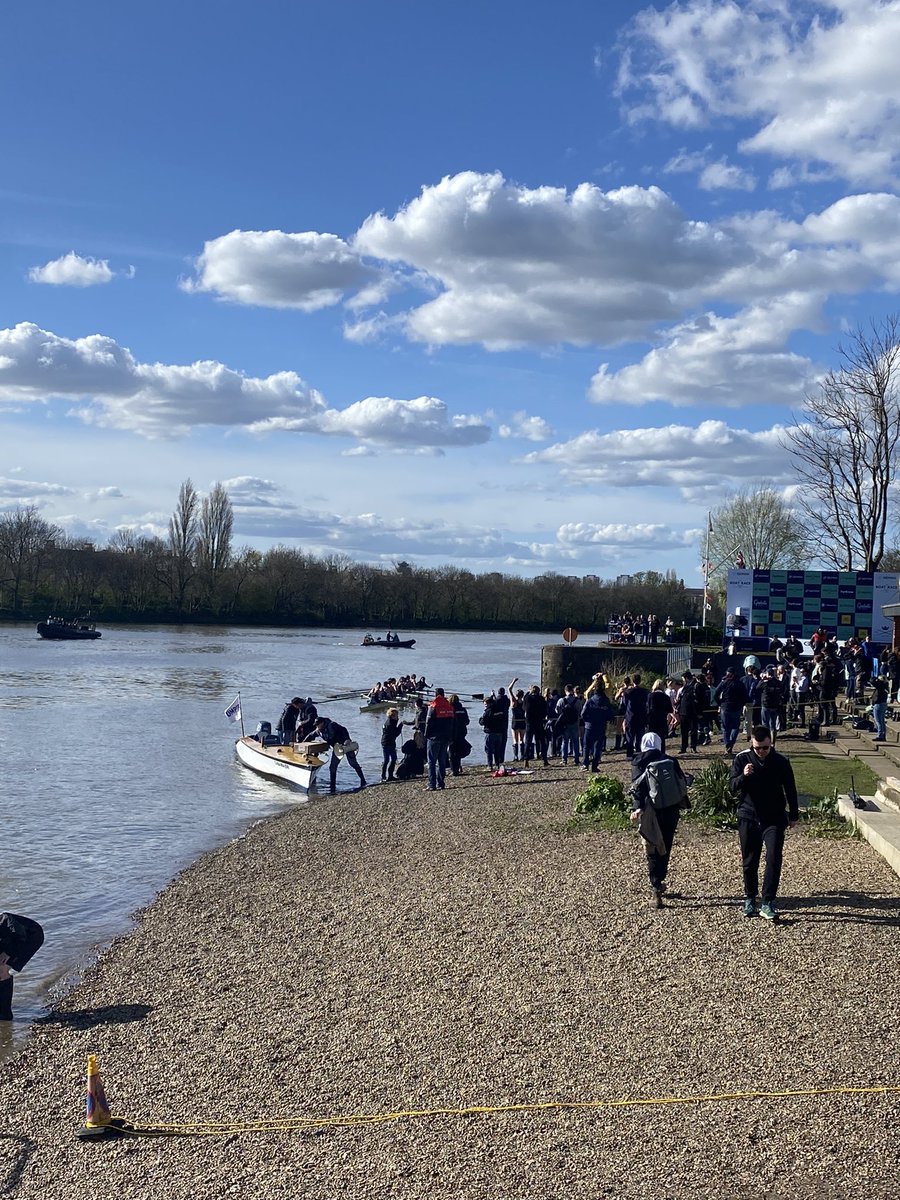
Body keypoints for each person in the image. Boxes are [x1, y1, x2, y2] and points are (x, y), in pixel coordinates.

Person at [729, 726, 799, 920]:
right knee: (750, 860)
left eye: (765, 748)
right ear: (751, 744)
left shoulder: (781, 762)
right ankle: (750, 898)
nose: (761, 752)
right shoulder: (742, 759)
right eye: (757, 748)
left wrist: (793, 814)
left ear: (771, 744)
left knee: (774, 857)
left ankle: (768, 901)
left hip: (774, 817)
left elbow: (790, 788)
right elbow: (732, 786)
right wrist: (743, 776)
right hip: (748, 815)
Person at [629, 733, 691, 909]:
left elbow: (637, 787)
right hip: (671, 809)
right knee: (666, 844)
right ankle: (660, 879)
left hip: (650, 810)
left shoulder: (638, 761)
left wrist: (637, 808)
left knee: (652, 844)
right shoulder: (670, 760)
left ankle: (656, 886)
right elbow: (681, 781)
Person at [0, 912, 44, 1021]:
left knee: (1, 970)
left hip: (31, 937)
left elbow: (20, 935)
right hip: (11, 941)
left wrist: (8, 952)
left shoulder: (6, 920)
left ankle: (5, 1014)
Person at [310, 716, 366, 793]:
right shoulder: (318, 731)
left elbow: (344, 729)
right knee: (332, 767)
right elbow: (310, 736)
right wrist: (300, 744)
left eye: (318, 724)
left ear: (322, 723)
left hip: (347, 746)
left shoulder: (332, 725)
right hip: (337, 749)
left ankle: (363, 781)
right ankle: (332, 786)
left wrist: (347, 739)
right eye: (316, 725)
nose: (317, 726)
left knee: (353, 764)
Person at [424, 688, 455, 790]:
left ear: (435, 694)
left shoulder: (433, 705)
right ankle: (441, 783)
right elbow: (452, 724)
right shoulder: (449, 706)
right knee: (441, 761)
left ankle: (432, 784)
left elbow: (428, 722)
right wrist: (450, 737)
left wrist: (426, 735)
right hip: (445, 737)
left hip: (434, 737)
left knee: (432, 761)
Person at [714, 666, 748, 754]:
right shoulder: (739, 683)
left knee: (725, 728)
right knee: (735, 727)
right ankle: (731, 743)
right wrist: (741, 704)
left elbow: (715, 694)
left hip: (725, 707)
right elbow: (745, 695)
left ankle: (727, 744)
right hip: (736, 708)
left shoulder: (724, 683)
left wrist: (720, 703)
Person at [581, 683, 614, 771]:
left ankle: (585, 764)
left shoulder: (590, 700)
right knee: (597, 747)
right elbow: (610, 714)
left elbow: (583, 713)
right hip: (601, 726)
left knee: (586, 746)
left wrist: (586, 721)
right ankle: (594, 766)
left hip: (589, 726)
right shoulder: (606, 701)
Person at [522, 685, 549, 767]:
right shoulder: (541, 699)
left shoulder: (528, 698)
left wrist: (528, 692)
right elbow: (545, 710)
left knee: (528, 741)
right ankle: (544, 759)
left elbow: (524, 708)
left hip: (529, 722)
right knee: (542, 741)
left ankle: (526, 760)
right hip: (539, 722)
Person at [380, 707, 407, 781]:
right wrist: (401, 725)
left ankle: (390, 775)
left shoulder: (391, 722)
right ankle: (383, 776)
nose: (397, 717)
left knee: (393, 759)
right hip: (386, 743)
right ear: (392, 715)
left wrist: (399, 723)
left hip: (390, 742)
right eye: (396, 715)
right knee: (386, 760)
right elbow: (395, 733)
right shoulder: (389, 724)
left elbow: (394, 730)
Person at [448, 693, 470, 776]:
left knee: (452, 752)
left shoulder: (450, 709)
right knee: (458, 750)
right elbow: (467, 721)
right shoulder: (463, 709)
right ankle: (458, 767)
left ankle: (454, 770)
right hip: (462, 732)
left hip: (453, 733)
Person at [872, 672, 890, 741]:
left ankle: (880, 735)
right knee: (882, 721)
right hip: (883, 704)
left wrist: (876, 679)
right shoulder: (885, 685)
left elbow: (872, 680)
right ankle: (883, 735)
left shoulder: (880, 685)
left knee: (878, 721)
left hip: (878, 704)